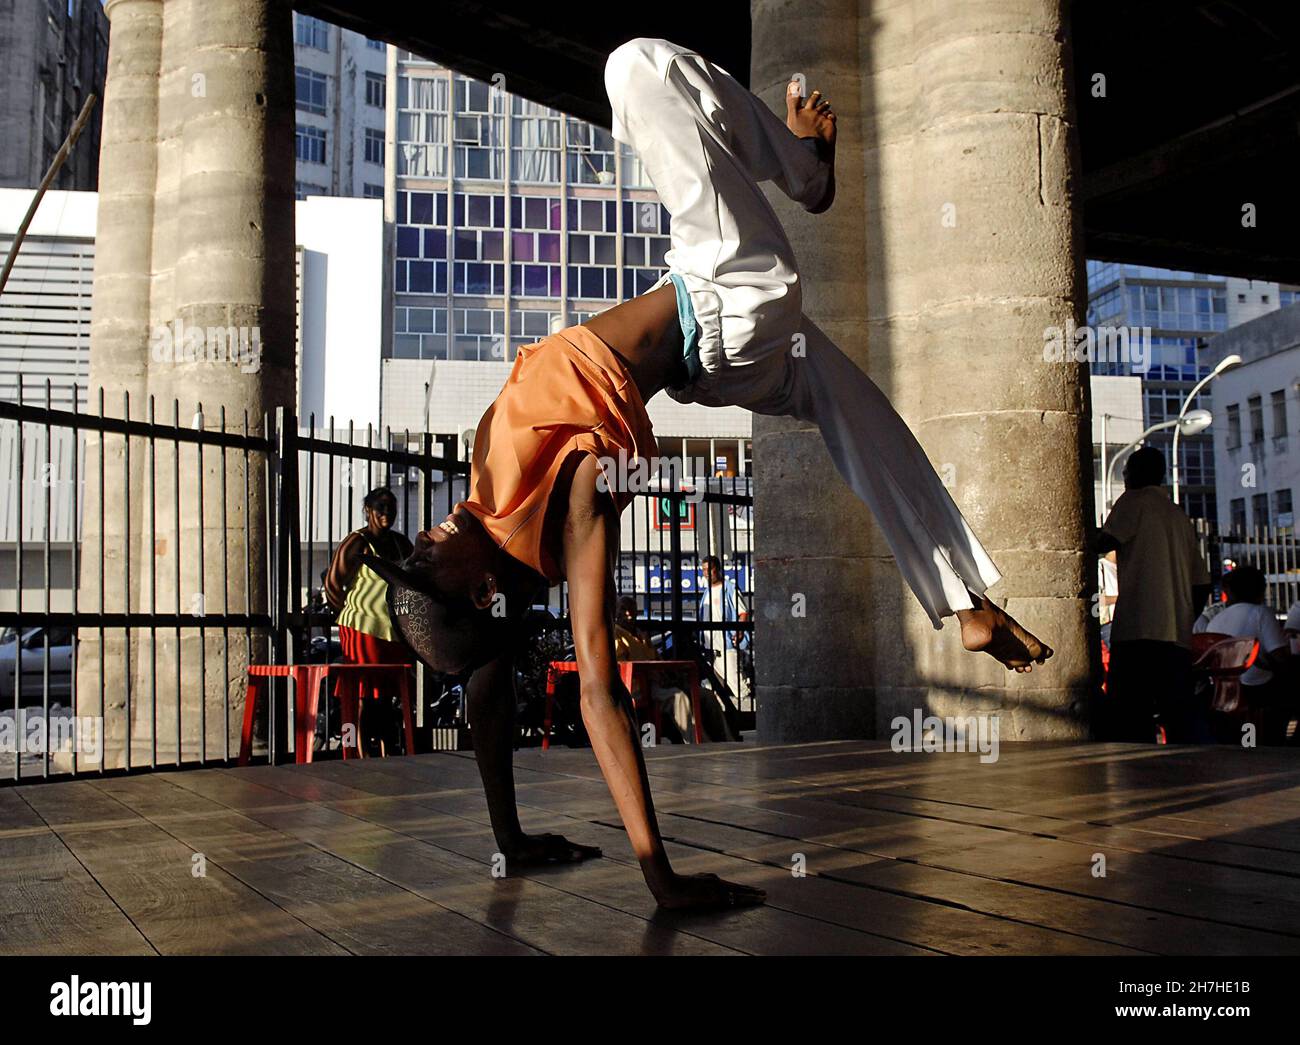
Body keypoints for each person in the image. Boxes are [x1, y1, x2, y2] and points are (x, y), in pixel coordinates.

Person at [365, 38, 1051, 911]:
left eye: (413, 549)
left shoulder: (485, 491)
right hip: (730, 293)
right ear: (478, 592)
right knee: (634, 67)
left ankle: (964, 603)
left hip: (722, 366)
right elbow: (600, 695)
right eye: (428, 564)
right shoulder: (568, 504)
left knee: (863, 420)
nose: (424, 538)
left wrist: (511, 838)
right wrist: (663, 879)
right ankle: (806, 170)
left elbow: (486, 687)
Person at [1097, 447, 1212, 742]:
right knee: (1177, 713)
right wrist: (1184, 618)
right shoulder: (1177, 516)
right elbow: (1201, 584)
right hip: (1174, 636)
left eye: (1125, 472)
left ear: (1135, 473)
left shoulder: (1134, 501)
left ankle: (1137, 775)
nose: (1124, 478)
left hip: (1138, 629)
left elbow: (1103, 541)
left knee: (1130, 713)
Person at [325, 487, 414, 755]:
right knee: (364, 694)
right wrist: (348, 614)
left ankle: (386, 751)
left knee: (387, 695)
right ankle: (358, 751)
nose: (387, 512)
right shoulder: (358, 541)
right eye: (381, 507)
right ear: (368, 511)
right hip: (362, 629)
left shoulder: (401, 543)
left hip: (393, 632)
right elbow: (333, 583)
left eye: (392, 507)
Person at [1204, 566, 1294, 743]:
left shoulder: (1215, 620)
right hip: (1257, 692)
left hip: (1225, 693)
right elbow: (1280, 657)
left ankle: (1249, 742)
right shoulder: (1261, 613)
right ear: (1260, 590)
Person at [697, 555, 751, 703]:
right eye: (703, 570)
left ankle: (751, 714)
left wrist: (739, 631)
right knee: (712, 690)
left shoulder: (729, 589)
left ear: (718, 569)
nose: (706, 573)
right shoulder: (706, 593)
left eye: (710, 569)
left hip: (726, 647)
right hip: (709, 649)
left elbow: (743, 612)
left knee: (738, 685)